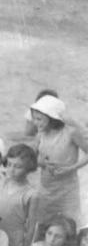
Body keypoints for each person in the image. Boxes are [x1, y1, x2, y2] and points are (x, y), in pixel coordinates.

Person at [31, 95, 88, 224]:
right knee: (44, 224)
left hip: (67, 189)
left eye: (39, 119)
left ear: (52, 118)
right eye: (34, 119)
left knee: (70, 224)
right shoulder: (40, 134)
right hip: (46, 188)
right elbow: (32, 157)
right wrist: (42, 163)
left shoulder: (71, 133)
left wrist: (70, 168)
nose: (36, 123)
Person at [0, 143, 40, 246]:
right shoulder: (1, 183)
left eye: (18, 166)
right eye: (9, 164)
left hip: (13, 240)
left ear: (29, 168)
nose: (11, 170)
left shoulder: (31, 194)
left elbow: (31, 227)